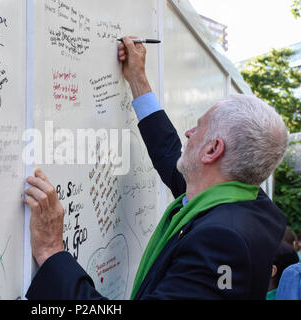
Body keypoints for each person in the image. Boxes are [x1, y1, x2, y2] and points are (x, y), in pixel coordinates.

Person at [24, 37, 289, 300]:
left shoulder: (222, 241)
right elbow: (169, 155)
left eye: (198, 127)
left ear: (212, 151)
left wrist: (52, 253)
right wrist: (138, 80)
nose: (188, 133)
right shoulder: (243, 203)